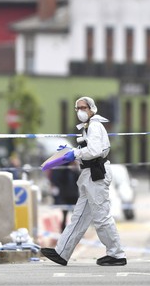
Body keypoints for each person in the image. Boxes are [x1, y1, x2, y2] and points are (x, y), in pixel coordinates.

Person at [41, 97, 127, 266]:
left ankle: (116, 254)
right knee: (79, 218)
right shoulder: (89, 127)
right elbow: (90, 150)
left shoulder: (94, 126)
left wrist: (75, 153)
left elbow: (94, 151)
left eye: (83, 107)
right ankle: (62, 252)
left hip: (96, 174)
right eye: (77, 108)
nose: (80, 111)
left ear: (91, 109)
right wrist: (71, 152)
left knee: (101, 217)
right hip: (89, 175)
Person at [50, 161, 80, 231]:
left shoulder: (75, 171)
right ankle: (63, 230)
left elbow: (78, 179)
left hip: (74, 196)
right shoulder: (64, 171)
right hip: (65, 196)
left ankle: (76, 230)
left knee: (76, 215)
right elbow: (58, 180)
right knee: (64, 215)